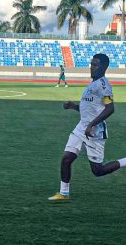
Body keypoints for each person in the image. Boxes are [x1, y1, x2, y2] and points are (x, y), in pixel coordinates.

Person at [48, 53, 126, 201]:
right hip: (81, 128)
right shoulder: (92, 84)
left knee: (98, 170)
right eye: (91, 64)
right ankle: (63, 193)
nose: (91, 67)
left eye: (95, 65)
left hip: (94, 132)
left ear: (103, 67)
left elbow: (110, 109)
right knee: (66, 159)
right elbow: (89, 110)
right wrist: (73, 107)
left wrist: (91, 125)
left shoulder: (104, 85)